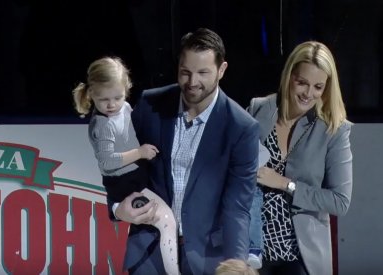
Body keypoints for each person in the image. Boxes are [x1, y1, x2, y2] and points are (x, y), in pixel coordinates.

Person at [110, 28, 260, 275]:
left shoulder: (241, 128)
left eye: (203, 73)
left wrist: (236, 265)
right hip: (149, 253)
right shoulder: (150, 105)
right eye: (185, 72)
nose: (192, 83)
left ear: (221, 70)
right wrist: (117, 207)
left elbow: (237, 207)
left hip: (207, 258)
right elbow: (117, 165)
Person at [246, 41, 353, 275]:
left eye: (318, 87)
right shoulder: (258, 109)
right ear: (289, 76)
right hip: (251, 253)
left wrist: (286, 184)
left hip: (299, 257)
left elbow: (340, 201)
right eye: (302, 82)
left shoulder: (334, 129)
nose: (308, 93)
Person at [72, 56, 179, 275]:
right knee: (167, 220)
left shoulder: (126, 108)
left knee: (167, 220)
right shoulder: (102, 125)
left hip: (138, 177)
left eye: (117, 97)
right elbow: (107, 161)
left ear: (126, 90)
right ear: (92, 94)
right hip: (124, 185)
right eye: (104, 100)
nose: (111, 105)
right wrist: (139, 152)